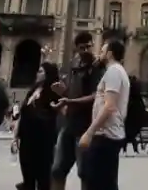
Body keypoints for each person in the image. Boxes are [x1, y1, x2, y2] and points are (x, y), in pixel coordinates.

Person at [48, 32, 103, 190]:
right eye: (82, 48)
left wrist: (70, 100)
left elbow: (96, 96)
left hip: (86, 126)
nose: (86, 50)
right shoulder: (74, 66)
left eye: (88, 46)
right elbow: (73, 92)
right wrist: (63, 92)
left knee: (85, 173)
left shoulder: (97, 67)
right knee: (57, 170)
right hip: (69, 125)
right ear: (76, 49)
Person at [77, 39, 129, 190]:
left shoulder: (113, 71)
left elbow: (109, 106)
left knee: (96, 182)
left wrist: (89, 132)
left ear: (110, 54)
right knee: (106, 182)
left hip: (105, 135)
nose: (99, 54)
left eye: (102, 51)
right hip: (109, 134)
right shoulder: (118, 71)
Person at [15, 61, 60, 190]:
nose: (37, 74)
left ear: (48, 74)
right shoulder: (33, 90)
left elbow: (52, 114)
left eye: (41, 71)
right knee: (27, 172)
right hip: (27, 139)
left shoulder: (53, 92)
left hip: (42, 141)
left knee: (42, 176)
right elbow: (24, 112)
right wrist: (17, 133)